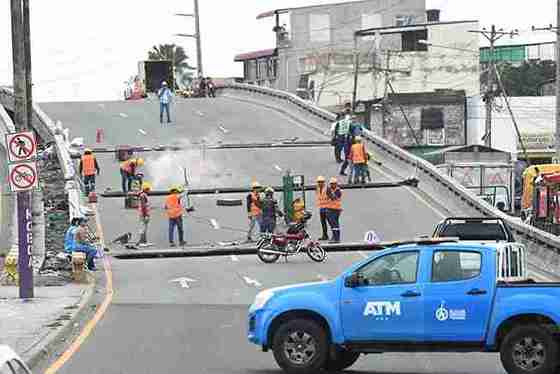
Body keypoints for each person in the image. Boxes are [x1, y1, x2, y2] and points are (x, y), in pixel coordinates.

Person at [326, 177, 342, 243]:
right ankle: (334, 236)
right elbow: (328, 195)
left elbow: (333, 198)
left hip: (335, 210)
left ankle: (336, 238)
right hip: (329, 209)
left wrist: (330, 192)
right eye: (331, 184)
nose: (332, 185)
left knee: (335, 224)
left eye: (334, 184)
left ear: (336, 184)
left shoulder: (338, 191)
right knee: (332, 224)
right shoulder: (329, 190)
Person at [135, 182, 152, 246]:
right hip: (143, 214)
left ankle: (144, 241)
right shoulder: (143, 196)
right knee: (143, 227)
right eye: (148, 189)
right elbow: (143, 206)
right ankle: (141, 241)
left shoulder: (143, 195)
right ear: (146, 189)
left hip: (144, 214)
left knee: (145, 228)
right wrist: (145, 215)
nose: (149, 190)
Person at [315, 176, 329, 241]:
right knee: (323, 223)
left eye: (321, 182)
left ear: (324, 183)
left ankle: (335, 236)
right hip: (321, 208)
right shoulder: (317, 189)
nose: (320, 183)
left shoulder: (327, 189)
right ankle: (325, 235)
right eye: (319, 182)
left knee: (331, 223)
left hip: (327, 208)